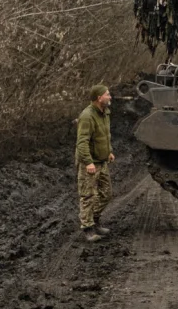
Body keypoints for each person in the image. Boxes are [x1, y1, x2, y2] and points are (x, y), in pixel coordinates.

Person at [76, 84, 115, 242]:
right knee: (88, 196)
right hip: (91, 163)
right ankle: (88, 228)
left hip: (102, 160)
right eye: (107, 94)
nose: (110, 96)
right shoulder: (87, 116)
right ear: (99, 98)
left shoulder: (104, 112)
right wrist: (88, 162)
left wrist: (109, 151)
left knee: (106, 194)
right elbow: (82, 142)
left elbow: (105, 135)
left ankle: (95, 220)